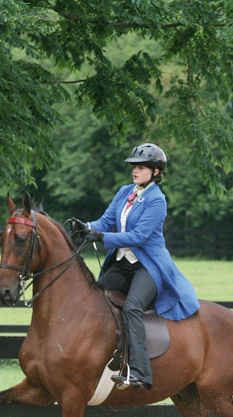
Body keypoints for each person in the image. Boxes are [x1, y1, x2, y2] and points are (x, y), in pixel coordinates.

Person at [71, 143, 200, 390]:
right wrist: (86, 226)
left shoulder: (157, 200)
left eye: (141, 167)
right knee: (95, 297)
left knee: (132, 307)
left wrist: (102, 237)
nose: (135, 171)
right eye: (134, 167)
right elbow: (106, 220)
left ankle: (140, 372)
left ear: (155, 172)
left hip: (148, 267)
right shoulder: (125, 192)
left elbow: (139, 236)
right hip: (122, 263)